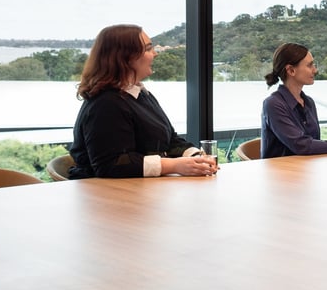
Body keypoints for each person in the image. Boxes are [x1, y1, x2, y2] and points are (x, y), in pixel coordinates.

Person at [69, 24, 217, 178]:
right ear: (125, 57)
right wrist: (174, 165)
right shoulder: (105, 104)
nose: (155, 54)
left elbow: (170, 140)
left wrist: (195, 157)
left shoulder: (141, 95)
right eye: (148, 49)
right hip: (105, 195)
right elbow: (111, 164)